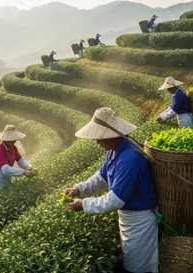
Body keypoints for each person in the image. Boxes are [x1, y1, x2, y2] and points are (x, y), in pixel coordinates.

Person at [64, 107, 158, 273]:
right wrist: (79, 189)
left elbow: (116, 199)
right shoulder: (115, 150)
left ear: (112, 135)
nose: (98, 142)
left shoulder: (129, 158)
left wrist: (84, 205)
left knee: (140, 266)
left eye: (100, 138)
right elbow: (101, 177)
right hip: (128, 217)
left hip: (140, 219)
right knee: (132, 261)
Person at [0, 125, 34, 191]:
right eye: (12, 138)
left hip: (8, 177)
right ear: (6, 139)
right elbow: (5, 169)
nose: (15, 140)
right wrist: (23, 172)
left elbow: (20, 160)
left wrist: (30, 168)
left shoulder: (13, 148)